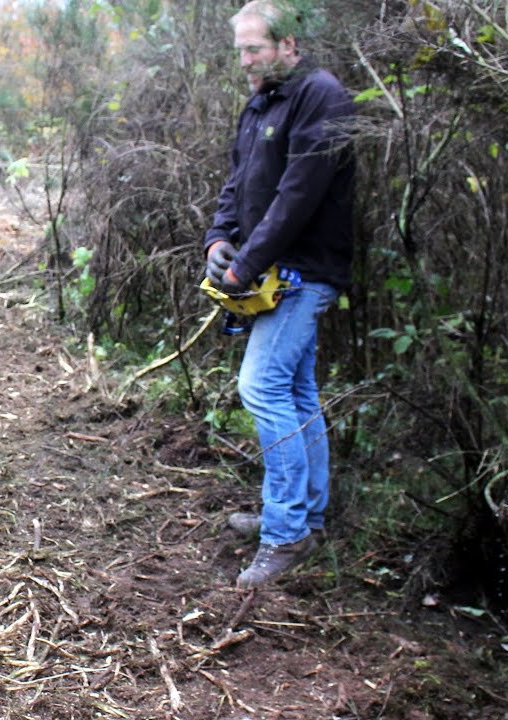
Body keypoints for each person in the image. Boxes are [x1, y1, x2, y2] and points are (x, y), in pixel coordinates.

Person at [203, 0, 356, 588]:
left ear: (289, 43)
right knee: (295, 389)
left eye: (254, 48)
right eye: (239, 49)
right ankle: (302, 518)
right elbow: (238, 181)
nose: (245, 61)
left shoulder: (322, 96)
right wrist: (219, 239)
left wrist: (244, 267)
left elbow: (298, 197)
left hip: (302, 272)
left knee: (261, 386)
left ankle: (286, 534)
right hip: (271, 270)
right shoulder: (264, 99)